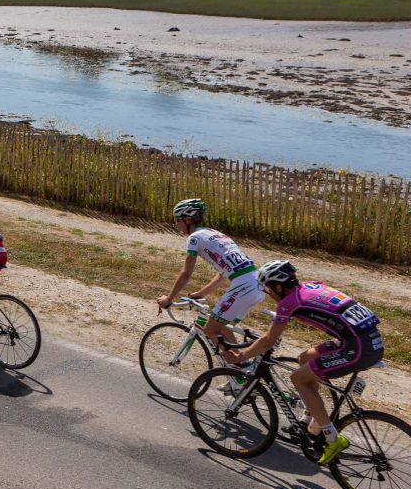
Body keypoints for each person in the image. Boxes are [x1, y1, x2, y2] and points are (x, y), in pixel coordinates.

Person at [223, 261, 384, 465]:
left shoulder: (288, 302)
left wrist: (241, 356)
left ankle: (333, 438)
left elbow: (269, 340)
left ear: (278, 286)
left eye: (267, 288)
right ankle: (310, 422)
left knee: (299, 379)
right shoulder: (310, 285)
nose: (268, 293)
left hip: (359, 347)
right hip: (365, 339)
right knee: (304, 359)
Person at [156, 198, 261, 355]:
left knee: (211, 329)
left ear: (187, 219)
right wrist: (201, 294)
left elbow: (186, 273)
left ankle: (241, 370)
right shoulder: (215, 234)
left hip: (243, 286)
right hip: (257, 284)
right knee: (223, 327)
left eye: (177, 220)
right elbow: (222, 275)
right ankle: (245, 372)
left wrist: (169, 299)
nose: (177, 224)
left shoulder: (194, 238)